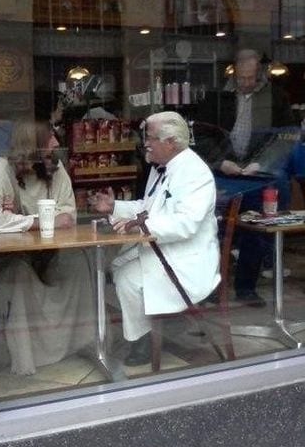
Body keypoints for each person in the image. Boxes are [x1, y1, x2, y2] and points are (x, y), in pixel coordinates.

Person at [90, 111, 220, 366]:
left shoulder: (195, 173)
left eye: (150, 138)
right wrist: (114, 206)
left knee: (125, 277)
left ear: (170, 142)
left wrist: (141, 227)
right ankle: (150, 325)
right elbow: (147, 207)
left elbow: (186, 223)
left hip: (186, 260)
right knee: (113, 268)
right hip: (164, 252)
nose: (145, 143)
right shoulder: (161, 168)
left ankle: (142, 340)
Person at [0, 120, 96, 375]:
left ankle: (82, 342)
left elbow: (68, 216)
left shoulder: (55, 167)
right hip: (12, 254)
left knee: (78, 261)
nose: (56, 143)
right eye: (49, 139)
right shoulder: (3, 167)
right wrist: (42, 221)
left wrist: (16, 220)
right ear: (31, 147)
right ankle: (25, 357)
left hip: (50, 251)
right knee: (19, 274)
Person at [199, 49, 294, 306]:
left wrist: (261, 163)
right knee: (213, 231)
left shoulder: (275, 97)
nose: (246, 83)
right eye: (241, 78)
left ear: (260, 74)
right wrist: (221, 162)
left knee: (256, 231)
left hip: (257, 174)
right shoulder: (218, 97)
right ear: (234, 72)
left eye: (251, 78)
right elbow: (203, 135)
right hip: (224, 173)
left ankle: (246, 288)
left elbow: (286, 136)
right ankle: (209, 288)